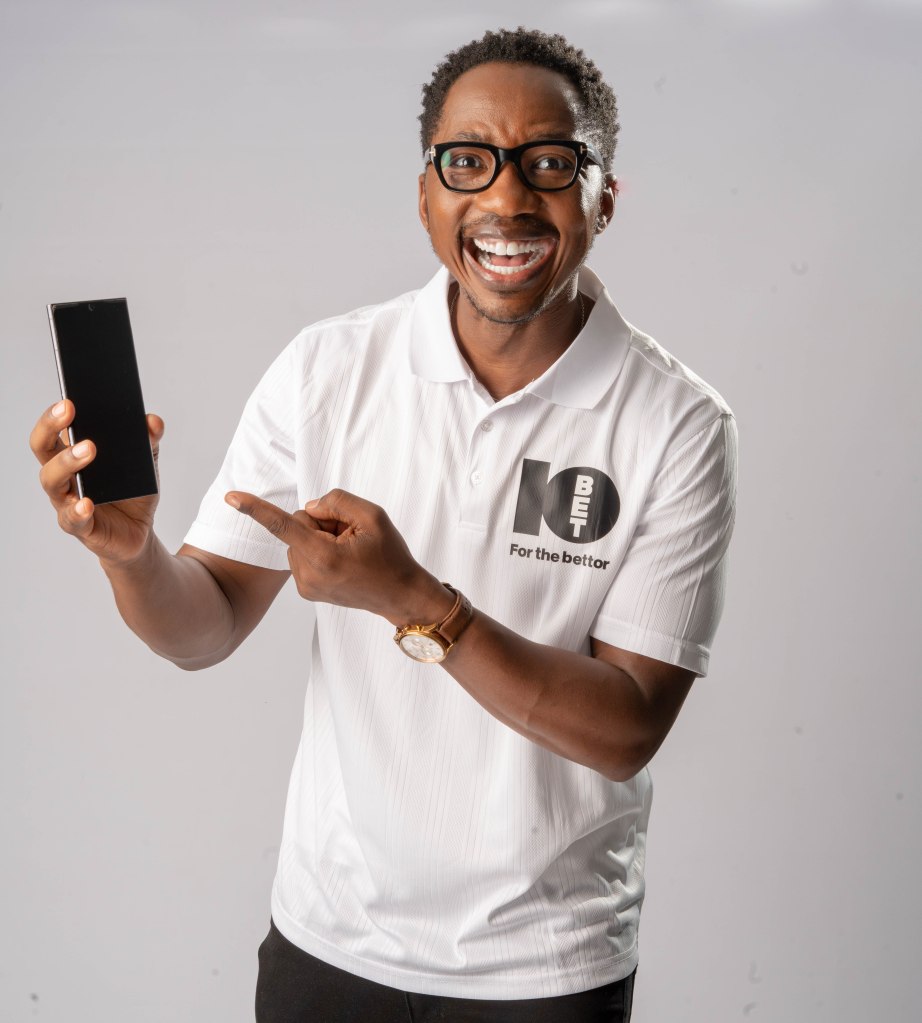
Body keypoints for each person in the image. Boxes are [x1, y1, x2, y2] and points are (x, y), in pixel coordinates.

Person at [30, 27, 737, 1023]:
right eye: (468, 162)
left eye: (549, 162)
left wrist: (411, 599)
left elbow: (624, 730)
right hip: (327, 943)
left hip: (543, 969)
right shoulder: (327, 370)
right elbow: (204, 627)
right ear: (425, 195)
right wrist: (135, 555)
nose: (505, 198)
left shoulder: (677, 425)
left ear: (603, 198)